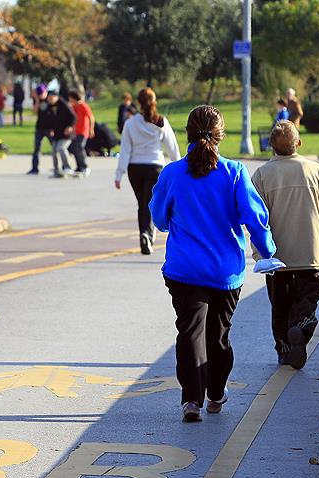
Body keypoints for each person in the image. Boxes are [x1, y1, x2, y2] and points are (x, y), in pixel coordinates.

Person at [150, 105, 276, 422]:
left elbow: (159, 219)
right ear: (220, 135)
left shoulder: (172, 173)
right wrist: (268, 251)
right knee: (218, 335)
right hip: (225, 271)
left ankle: (191, 400)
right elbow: (254, 218)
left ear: (188, 133)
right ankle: (216, 393)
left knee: (190, 333)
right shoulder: (234, 172)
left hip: (184, 269)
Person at [251, 121, 319, 369]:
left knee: (280, 304)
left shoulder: (262, 175)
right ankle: (302, 322)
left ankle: (284, 349)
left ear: (270, 145)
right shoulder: (317, 172)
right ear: (299, 142)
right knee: (310, 294)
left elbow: (256, 219)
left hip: (277, 256)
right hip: (309, 252)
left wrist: (259, 254)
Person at [114, 88, 180, 254]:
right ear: (154, 102)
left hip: (135, 168)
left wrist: (119, 174)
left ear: (138, 103)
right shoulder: (161, 122)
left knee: (142, 204)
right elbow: (172, 148)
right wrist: (180, 169)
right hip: (154, 167)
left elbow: (125, 150)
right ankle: (147, 234)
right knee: (149, 203)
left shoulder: (130, 123)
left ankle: (144, 233)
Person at [29, 90, 76, 177]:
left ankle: (68, 167)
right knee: (54, 151)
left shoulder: (63, 104)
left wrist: (69, 126)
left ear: (56, 97)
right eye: (49, 99)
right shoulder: (50, 106)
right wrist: (50, 129)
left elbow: (73, 116)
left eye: (51, 98)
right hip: (56, 133)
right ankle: (56, 170)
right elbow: (49, 119)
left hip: (66, 133)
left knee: (61, 148)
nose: (49, 100)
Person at [67, 90, 94, 177]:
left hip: (83, 131)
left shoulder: (83, 105)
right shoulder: (74, 106)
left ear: (73, 97)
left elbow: (91, 117)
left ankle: (85, 167)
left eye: (70, 98)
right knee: (74, 148)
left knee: (80, 148)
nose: (69, 99)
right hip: (76, 132)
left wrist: (91, 129)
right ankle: (79, 166)